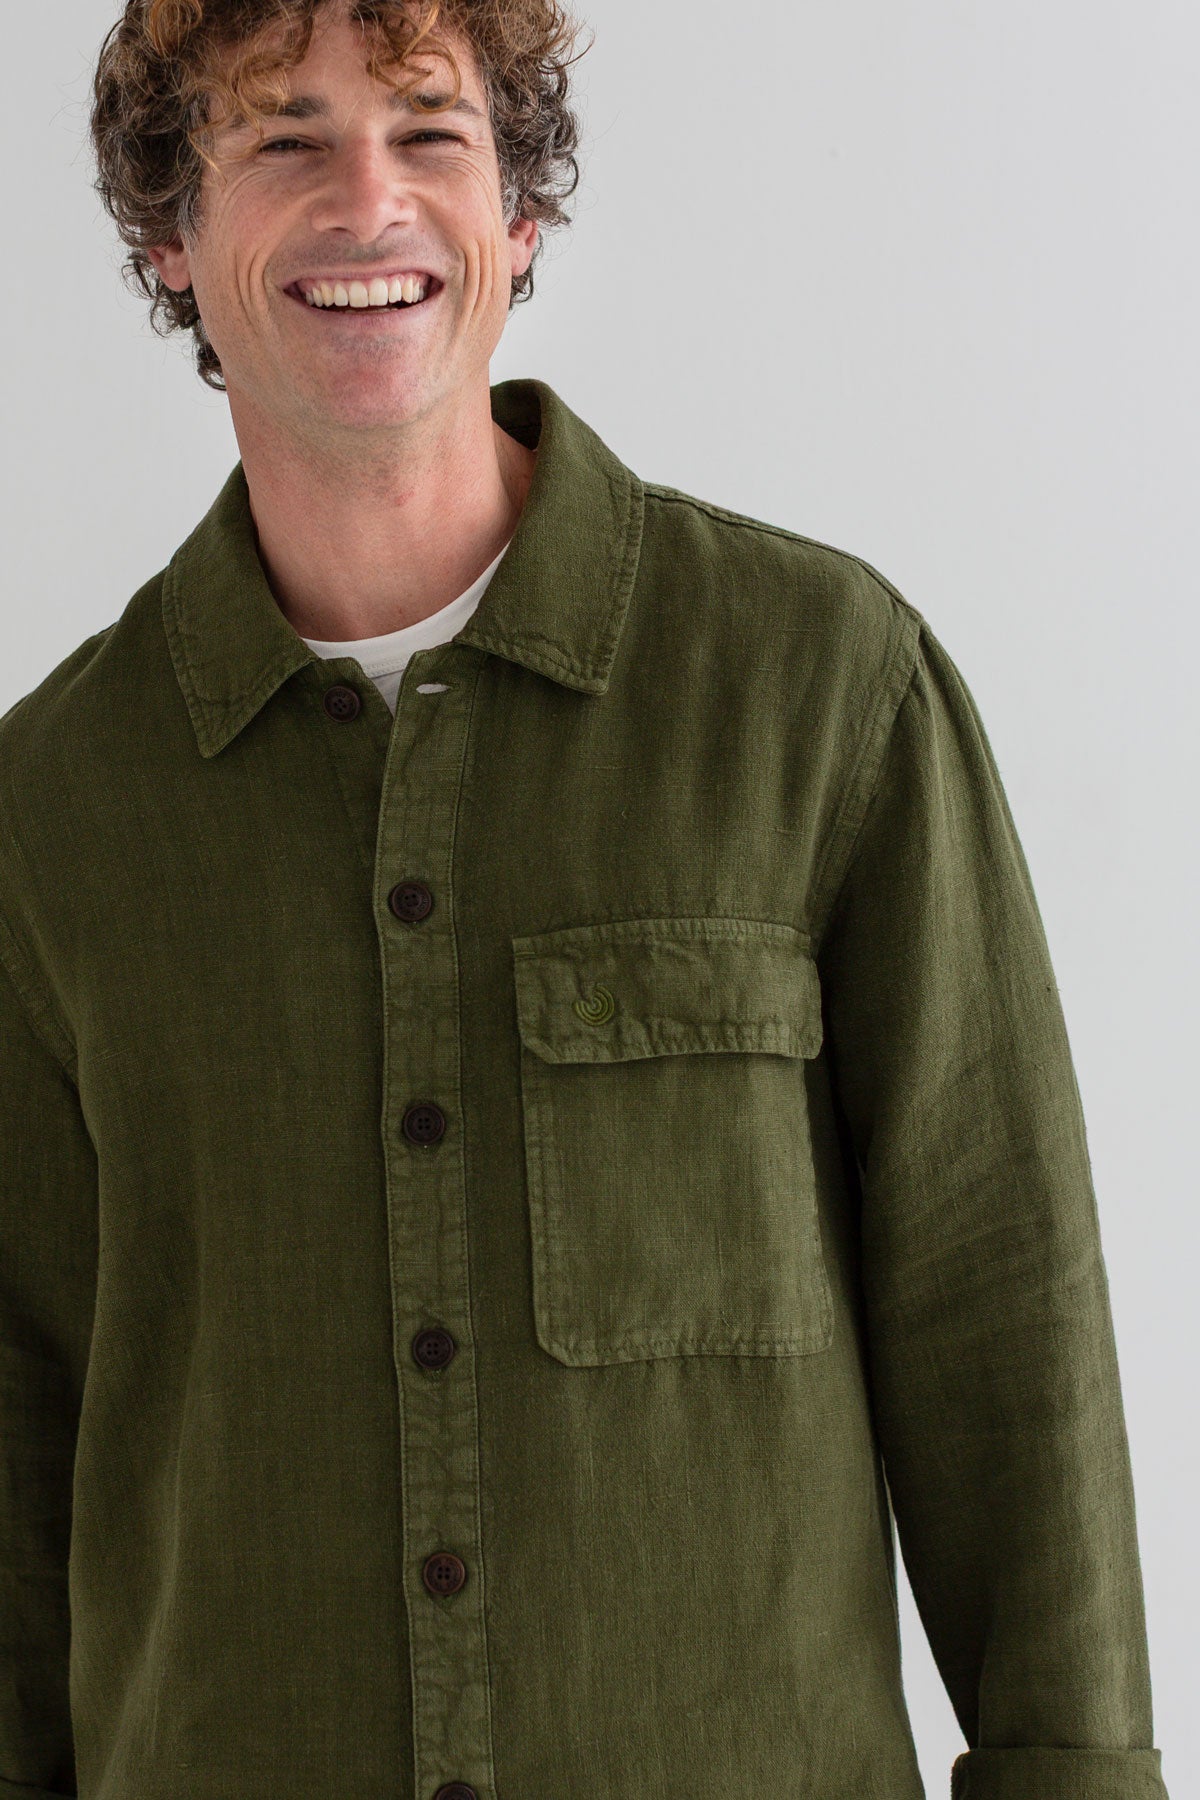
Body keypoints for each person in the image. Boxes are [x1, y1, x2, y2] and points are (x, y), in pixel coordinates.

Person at [0, 2, 1170, 1796]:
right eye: (283, 139)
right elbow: (19, 1428)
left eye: (430, 130)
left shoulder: (821, 691)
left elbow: (1002, 1315)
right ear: (170, 231)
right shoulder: (51, 811)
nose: (367, 199)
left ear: (521, 214)